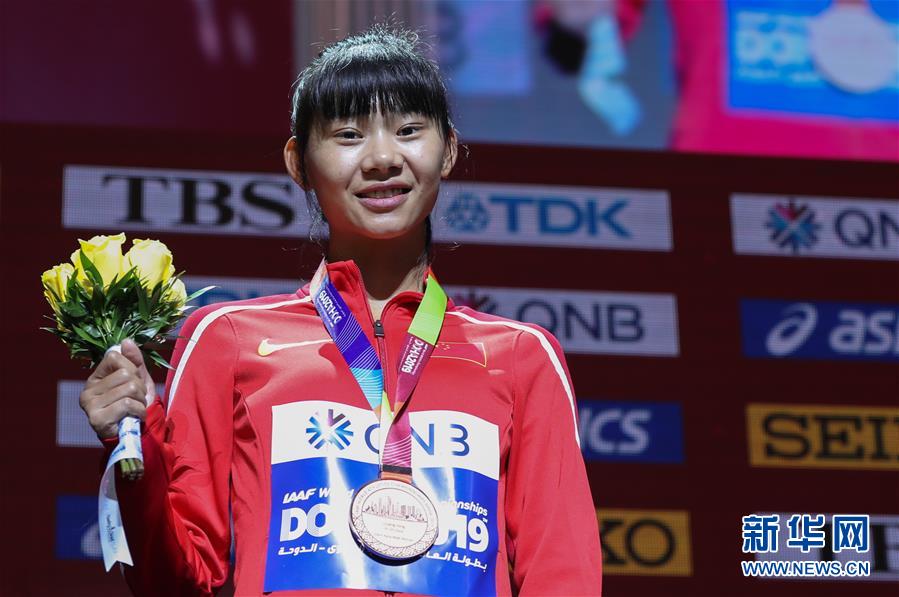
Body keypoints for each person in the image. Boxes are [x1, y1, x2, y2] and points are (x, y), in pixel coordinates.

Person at [79, 25, 602, 597]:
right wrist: (134, 444)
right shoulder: (226, 338)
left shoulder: (521, 356)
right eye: (348, 135)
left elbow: (562, 575)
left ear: (449, 150)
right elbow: (174, 582)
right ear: (298, 162)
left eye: (409, 130)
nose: (383, 159)